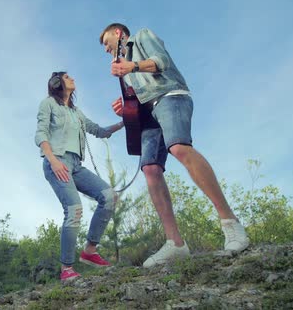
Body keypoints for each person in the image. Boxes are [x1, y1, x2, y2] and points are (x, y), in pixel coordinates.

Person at [99, 23, 249, 268]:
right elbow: (139, 92)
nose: (106, 49)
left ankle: (231, 223)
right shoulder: (124, 67)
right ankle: (176, 244)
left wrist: (132, 66)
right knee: (150, 169)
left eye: (106, 42)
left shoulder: (141, 37)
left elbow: (161, 61)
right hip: (148, 114)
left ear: (118, 33)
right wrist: (125, 103)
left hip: (170, 97)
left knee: (178, 147)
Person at [35, 71, 124, 281]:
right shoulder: (48, 104)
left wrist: (124, 123)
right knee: (74, 209)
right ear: (57, 83)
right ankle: (66, 269)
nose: (73, 78)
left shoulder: (77, 113)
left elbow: (100, 131)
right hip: (57, 161)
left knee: (110, 197)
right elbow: (41, 134)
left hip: (76, 165)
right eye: (67, 77)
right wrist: (54, 161)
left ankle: (90, 251)